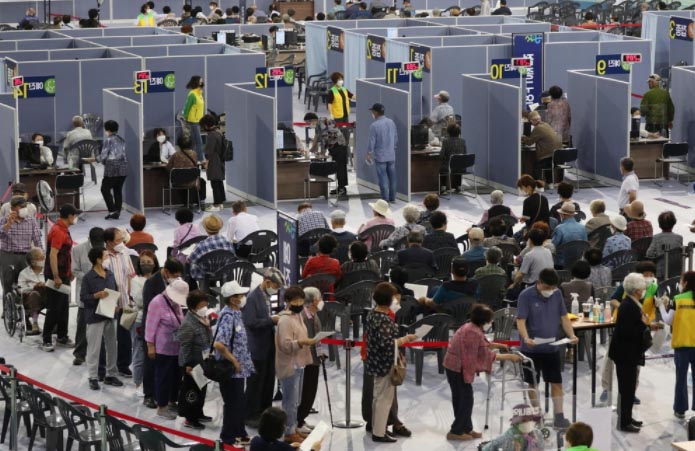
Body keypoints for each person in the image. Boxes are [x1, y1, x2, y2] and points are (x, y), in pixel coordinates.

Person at [444, 304, 522, 440]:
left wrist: (499, 345)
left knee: (465, 398)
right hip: (456, 368)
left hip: (458, 366)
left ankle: (466, 428)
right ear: (483, 321)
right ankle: (455, 431)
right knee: (464, 399)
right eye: (490, 320)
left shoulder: (473, 327)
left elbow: (482, 344)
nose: (491, 322)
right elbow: (485, 355)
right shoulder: (472, 332)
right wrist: (509, 357)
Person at [517, 268, 578, 428]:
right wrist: (526, 338)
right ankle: (538, 416)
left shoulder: (556, 294)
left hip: (552, 348)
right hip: (531, 349)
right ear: (539, 282)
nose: (550, 291)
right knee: (533, 384)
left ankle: (559, 417)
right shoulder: (525, 296)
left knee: (556, 382)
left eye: (553, 287)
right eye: (547, 287)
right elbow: (521, 320)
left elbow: (564, 317)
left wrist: (571, 335)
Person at [365, 283, 418, 443]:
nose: (397, 302)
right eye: (395, 299)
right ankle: (379, 433)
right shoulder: (384, 320)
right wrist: (405, 339)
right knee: (384, 399)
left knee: (377, 397)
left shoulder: (372, 314)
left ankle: (377, 427)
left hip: (374, 361)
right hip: (385, 363)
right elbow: (388, 344)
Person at [212, 281, 254, 446]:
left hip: (239, 369)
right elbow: (219, 344)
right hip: (230, 369)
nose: (243, 298)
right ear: (232, 298)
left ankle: (240, 432)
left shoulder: (237, 313)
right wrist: (234, 360)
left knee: (239, 402)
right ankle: (228, 437)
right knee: (232, 403)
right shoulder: (228, 316)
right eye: (240, 295)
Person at [274, 286, 317, 443]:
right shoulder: (285, 320)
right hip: (289, 365)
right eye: (295, 301)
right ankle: (289, 431)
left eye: (301, 300)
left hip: (299, 363)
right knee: (289, 401)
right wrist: (301, 342)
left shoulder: (298, 316)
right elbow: (285, 345)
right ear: (287, 301)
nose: (299, 303)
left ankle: (294, 426)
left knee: (296, 400)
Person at [242, 268, 284, 428]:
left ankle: (265, 411)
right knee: (255, 383)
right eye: (275, 286)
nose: (276, 290)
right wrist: (271, 320)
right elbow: (250, 322)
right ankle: (250, 414)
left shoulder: (266, 295)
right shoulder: (252, 298)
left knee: (268, 381)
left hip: (268, 345)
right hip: (256, 347)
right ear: (267, 282)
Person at [609, 273, 650, 432]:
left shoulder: (631, 303)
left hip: (628, 353)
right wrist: (643, 324)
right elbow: (627, 332)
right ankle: (624, 422)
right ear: (637, 290)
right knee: (626, 389)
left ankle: (627, 418)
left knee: (629, 388)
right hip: (625, 354)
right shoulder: (628, 306)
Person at [81, 246, 124, 390]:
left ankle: (111, 374)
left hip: (110, 315)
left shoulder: (110, 274)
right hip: (95, 316)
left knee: (112, 346)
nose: (108, 259)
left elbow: (115, 291)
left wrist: (116, 304)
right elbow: (83, 297)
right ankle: (93, 376)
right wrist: (96, 295)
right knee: (94, 348)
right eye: (106, 256)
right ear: (98, 260)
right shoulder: (88, 277)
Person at [146, 278, 187, 420]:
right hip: (162, 348)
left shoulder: (176, 303)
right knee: (163, 377)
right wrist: (150, 346)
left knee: (176, 377)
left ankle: (172, 402)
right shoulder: (157, 302)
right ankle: (162, 407)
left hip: (176, 347)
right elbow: (150, 326)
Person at [41, 204, 80, 352]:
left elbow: (66, 255)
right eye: (75, 215)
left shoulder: (64, 229)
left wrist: (69, 272)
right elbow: (53, 255)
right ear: (70, 216)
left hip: (63, 274)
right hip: (55, 275)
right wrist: (56, 276)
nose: (76, 218)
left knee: (63, 307)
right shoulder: (58, 231)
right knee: (54, 308)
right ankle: (46, 339)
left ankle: (62, 336)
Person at [656, 271, 695, 418]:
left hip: (681, 344)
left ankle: (680, 409)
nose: (680, 283)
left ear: (686, 283)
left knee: (681, 379)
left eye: (681, 280)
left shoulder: (677, 299)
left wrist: (661, 306)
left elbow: (667, 320)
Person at [101, 228, 136, 377]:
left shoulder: (124, 252)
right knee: (107, 335)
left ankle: (123, 365)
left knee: (125, 335)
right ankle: (103, 367)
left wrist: (131, 294)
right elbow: (101, 281)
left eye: (122, 239)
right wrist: (111, 302)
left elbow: (130, 274)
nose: (122, 243)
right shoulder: (102, 256)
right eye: (118, 240)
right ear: (109, 242)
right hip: (109, 301)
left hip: (125, 300)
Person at [176, 290, 212, 429]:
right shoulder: (188, 324)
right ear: (193, 307)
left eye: (205, 305)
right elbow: (185, 347)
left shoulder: (202, 318)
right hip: (191, 364)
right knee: (192, 392)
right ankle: (190, 419)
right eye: (202, 305)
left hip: (202, 361)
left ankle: (198, 413)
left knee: (201, 389)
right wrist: (187, 365)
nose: (205, 308)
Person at [71, 227, 104, 365]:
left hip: (103, 294)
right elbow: (74, 270)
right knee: (82, 326)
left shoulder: (106, 249)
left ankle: (101, 356)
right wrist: (90, 278)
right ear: (89, 239)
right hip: (85, 293)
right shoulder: (78, 250)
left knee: (104, 326)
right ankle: (80, 354)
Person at [130, 250, 159, 396]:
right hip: (140, 320)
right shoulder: (136, 281)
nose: (146, 265)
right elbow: (140, 301)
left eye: (149, 262)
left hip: (157, 321)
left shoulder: (159, 279)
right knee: (139, 352)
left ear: (154, 263)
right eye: (143, 263)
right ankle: (138, 382)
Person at [296, 287, 324, 432]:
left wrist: (320, 353)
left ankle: (302, 418)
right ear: (314, 301)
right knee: (305, 392)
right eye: (320, 298)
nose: (321, 301)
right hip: (306, 360)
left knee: (311, 391)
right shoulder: (303, 317)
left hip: (314, 358)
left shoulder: (314, 315)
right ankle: (298, 421)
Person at [0, 196, 43, 291]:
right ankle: (8, 300)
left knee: (27, 287)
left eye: (25, 206)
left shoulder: (31, 221)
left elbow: (37, 240)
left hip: (25, 257)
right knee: (8, 286)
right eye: (21, 207)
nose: (24, 209)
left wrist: (41, 257)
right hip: (8, 256)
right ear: (13, 209)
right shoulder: (5, 220)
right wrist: (8, 225)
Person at [91, 120, 128, 220]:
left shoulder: (108, 140)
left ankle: (112, 210)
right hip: (123, 168)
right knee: (117, 190)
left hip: (112, 169)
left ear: (107, 129)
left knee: (105, 189)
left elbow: (103, 155)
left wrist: (94, 159)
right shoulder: (121, 139)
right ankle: (117, 212)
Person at [366, 103, 398, 203]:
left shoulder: (374, 125)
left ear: (375, 112)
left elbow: (372, 141)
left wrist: (368, 153)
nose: (372, 113)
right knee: (392, 178)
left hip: (380, 156)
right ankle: (392, 198)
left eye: (372, 111)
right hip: (391, 154)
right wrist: (393, 147)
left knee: (383, 178)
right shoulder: (391, 122)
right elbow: (395, 137)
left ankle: (385, 199)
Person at [188, 215, 235, 281]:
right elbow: (232, 258)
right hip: (223, 273)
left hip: (205, 275)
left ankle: (193, 285)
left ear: (206, 229)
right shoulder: (228, 242)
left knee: (189, 265)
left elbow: (190, 260)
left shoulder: (201, 245)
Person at [250, 407, 322, 451]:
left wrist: (290, 447)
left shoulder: (254, 441)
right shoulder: (284, 447)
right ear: (278, 429)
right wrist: (313, 449)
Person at [17, 248, 48, 336]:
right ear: (33, 262)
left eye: (43, 256)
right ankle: (35, 323)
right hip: (29, 299)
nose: (44, 259)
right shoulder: (24, 273)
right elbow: (20, 289)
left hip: (45, 296)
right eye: (41, 257)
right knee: (35, 293)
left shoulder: (47, 271)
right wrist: (33, 287)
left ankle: (54, 324)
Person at [200, 114, 226, 211]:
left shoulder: (211, 135)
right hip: (220, 160)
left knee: (214, 183)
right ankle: (221, 203)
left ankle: (217, 204)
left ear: (206, 125)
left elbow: (209, 151)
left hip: (214, 161)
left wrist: (206, 163)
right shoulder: (218, 132)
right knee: (219, 182)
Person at [439, 124, 467, 193]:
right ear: (459, 132)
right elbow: (465, 154)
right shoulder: (463, 141)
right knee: (458, 164)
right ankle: (458, 186)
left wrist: (445, 157)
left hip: (449, 168)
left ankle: (443, 187)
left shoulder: (445, 141)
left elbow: (441, 155)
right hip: (461, 168)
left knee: (442, 168)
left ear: (448, 132)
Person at [183, 76, 206, 162]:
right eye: (201, 81)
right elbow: (187, 107)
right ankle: (200, 159)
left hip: (198, 121)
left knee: (194, 141)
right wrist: (185, 117)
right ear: (197, 82)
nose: (202, 82)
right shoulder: (192, 94)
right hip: (193, 121)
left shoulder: (199, 93)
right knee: (198, 141)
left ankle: (192, 159)